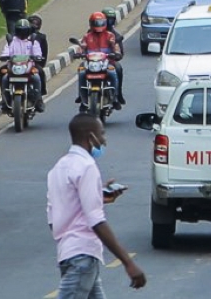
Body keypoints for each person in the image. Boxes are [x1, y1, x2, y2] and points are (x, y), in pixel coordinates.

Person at [47, 114, 146, 299]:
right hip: (82, 255)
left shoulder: (58, 169)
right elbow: (96, 220)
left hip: (68, 254)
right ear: (90, 137)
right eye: (102, 134)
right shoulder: (86, 167)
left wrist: (97, 197)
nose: (104, 140)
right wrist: (128, 263)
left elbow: (55, 218)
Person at [77, 11, 123, 109]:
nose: (98, 25)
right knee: (81, 72)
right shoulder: (87, 36)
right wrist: (78, 52)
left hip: (107, 62)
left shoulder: (110, 35)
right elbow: (82, 45)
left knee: (115, 71)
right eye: (96, 23)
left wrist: (116, 53)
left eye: (101, 22)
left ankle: (116, 96)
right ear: (91, 23)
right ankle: (81, 97)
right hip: (91, 63)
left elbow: (115, 45)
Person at [0, 18, 45, 112]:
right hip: (14, 66)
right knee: (3, 75)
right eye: (20, 30)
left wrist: (37, 56)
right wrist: (4, 56)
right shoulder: (12, 41)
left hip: (29, 66)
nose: (22, 33)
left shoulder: (32, 41)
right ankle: (5, 99)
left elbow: (37, 52)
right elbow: (6, 50)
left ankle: (39, 99)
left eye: (24, 30)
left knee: (37, 76)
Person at [29, 13, 51, 97]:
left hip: (32, 63)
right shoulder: (16, 38)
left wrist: (39, 60)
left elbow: (43, 51)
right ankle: (5, 96)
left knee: (40, 73)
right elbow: (10, 49)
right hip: (19, 63)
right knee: (4, 72)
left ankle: (41, 94)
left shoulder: (39, 38)